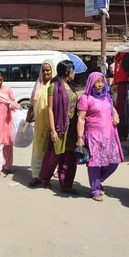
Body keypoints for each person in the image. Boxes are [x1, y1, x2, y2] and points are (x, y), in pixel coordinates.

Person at [77, 72, 124, 201]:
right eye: (97, 82)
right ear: (91, 82)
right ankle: (95, 190)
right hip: (93, 136)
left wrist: (116, 116)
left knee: (114, 162)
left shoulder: (107, 96)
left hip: (109, 135)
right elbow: (81, 119)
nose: (100, 84)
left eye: (102, 81)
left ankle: (97, 181)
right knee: (95, 163)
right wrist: (80, 137)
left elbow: (113, 110)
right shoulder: (85, 99)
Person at [39, 60, 78, 192]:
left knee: (69, 157)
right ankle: (45, 178)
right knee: (53, 155)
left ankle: (66, 184)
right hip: (58, 126)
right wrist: (53, 131)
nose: (75, 73)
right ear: (67, 72)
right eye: (73, 71)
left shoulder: (71, 87)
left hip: (71, 128)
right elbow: (50, 109)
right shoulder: (54, 86)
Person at [26, 59, 56, 187]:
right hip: (39, 124)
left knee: (50, 150)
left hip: (51, 124)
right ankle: (36, 176)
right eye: (43, 70)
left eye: (48, 70)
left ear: (52, 71)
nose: (45, 73)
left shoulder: (55, 85)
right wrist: (28, 117)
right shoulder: (38, 85)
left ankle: (48, 176)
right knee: (38, 149)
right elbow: (32, 103)